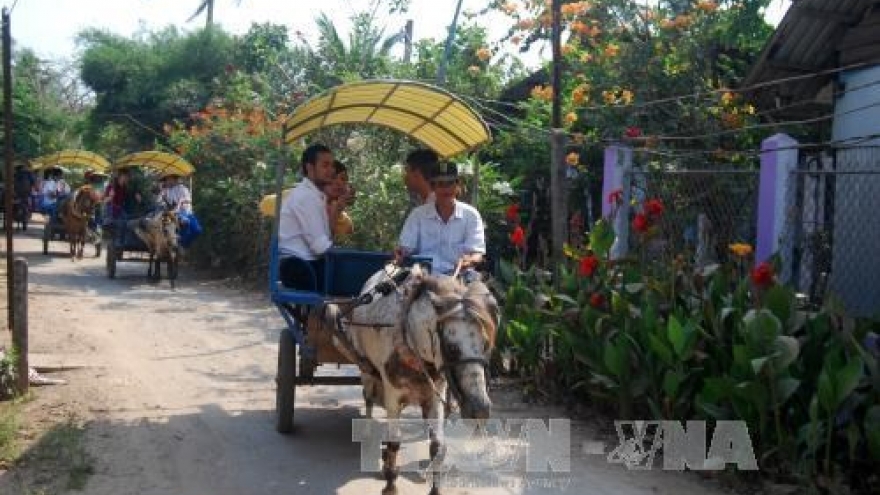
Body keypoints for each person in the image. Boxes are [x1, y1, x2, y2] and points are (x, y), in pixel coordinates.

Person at [394, 162, 486, 281]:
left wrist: (470, 261)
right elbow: (404, 249)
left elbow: (477, 254)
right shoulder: (417, 215)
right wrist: (399, 254)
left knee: (483, 299)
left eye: (450, 184)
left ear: (457, 185)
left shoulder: (471, 215)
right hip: (422, 278)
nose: (446, 189)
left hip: (460, 278)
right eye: (441, 184)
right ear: (433, 187)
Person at [278, 143, 336, 291]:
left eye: (332, 165)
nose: (331, 170)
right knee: (356, 279)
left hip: (307, 264)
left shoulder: (315, 195)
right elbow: (319, 246)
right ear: (310, 168)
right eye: (325, 165)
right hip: (300, 268)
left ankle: (321, 315)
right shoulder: (305, 197)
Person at [326, 160, 355, 241]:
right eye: (333, 177)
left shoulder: (346, 223)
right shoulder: (292, 197)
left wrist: (337, 211)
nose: (339, 182)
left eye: (343, 179)